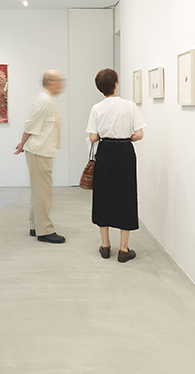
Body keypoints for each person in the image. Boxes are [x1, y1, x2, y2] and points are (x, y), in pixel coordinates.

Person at [86, 68, 145, 262]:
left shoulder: (96, 108)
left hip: (105, 153)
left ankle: (105, 246)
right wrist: (126, 137)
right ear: (116, 85)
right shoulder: (129, 106)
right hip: (125, 152)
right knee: (125, 196)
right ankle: (123, 249)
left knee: (103, 196)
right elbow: (139, 134)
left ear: (100, 88)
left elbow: (93, 137)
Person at [14, 70, 67, 243]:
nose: (62, 84)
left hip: (41, 151)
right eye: (59, 81)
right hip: (39, 152)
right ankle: (44, 231)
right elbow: (30, 124)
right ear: (49, 82)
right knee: (43, 193)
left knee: (39, 192)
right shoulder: (45, 100)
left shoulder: (48, 99)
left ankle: (35, 225)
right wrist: (22, 144)